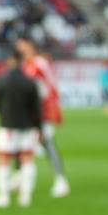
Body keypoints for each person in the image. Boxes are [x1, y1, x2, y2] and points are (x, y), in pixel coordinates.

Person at [15, 36, 70, 198]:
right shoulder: (23, 65)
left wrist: (54, 110)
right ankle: (19, 178)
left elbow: (51, 85)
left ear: (30, 45)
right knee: (19, 144)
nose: (19, 49)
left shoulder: (40, 63)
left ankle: (61, 180)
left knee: (47, 144)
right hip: (27, 112)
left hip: (42, 112)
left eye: (21, 46)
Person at [0, 48, 43, 208]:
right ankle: (25, 197)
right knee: (27, 160)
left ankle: (3, 197)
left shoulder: (1, 80)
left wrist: (3, 118)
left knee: (3, 161)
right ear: (21, 62)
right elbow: (36, 109)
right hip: (27, 127)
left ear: (9, 61)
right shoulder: (30, 82)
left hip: (7, 127)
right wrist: (38, 128)